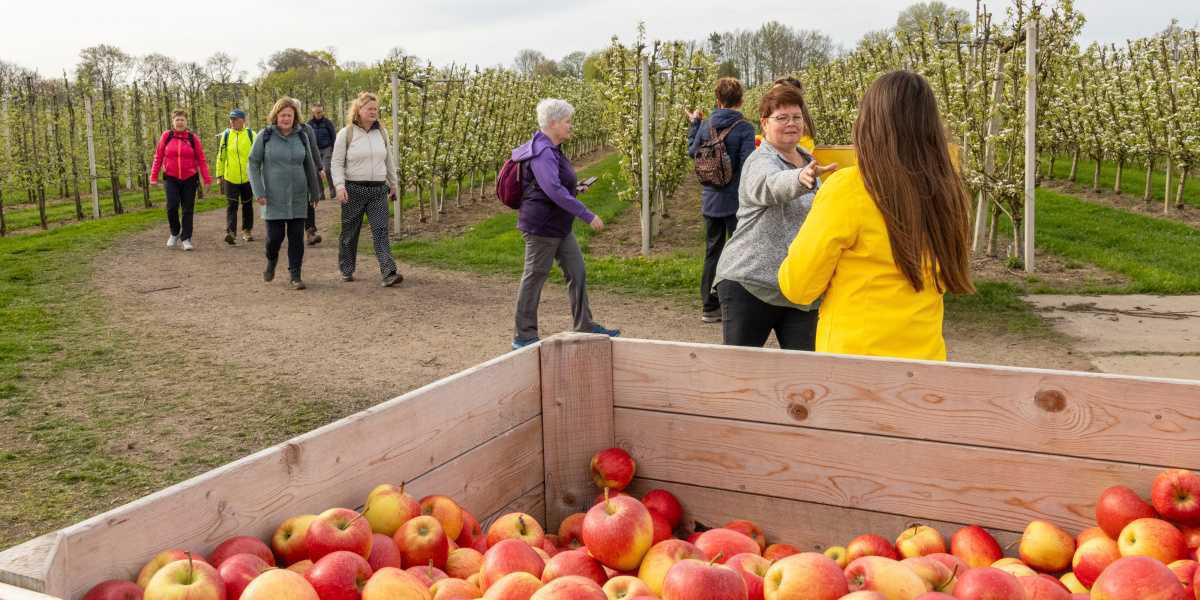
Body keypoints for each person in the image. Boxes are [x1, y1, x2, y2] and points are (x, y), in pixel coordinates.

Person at [777, 70, 974, 360]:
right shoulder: (948, 191)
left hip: (855, 366)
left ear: (869, 123)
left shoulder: (850, 187)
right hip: (925, 365)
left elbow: (798, 286)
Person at [711, 83, 833, 351]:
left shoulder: (809, 161)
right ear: (765, 123)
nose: (791, 123)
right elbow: (769, 185)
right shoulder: (759, 161)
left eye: (797, 117)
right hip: (751, 283)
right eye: (782, 117)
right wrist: (800, 179)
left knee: (805, 370)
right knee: (740, 369)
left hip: (797, 288)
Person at [511, 98, 620, 349]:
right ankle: (523, 336)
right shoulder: (542, 152)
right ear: (553, 123)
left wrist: (575, 187)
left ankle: (584, 324)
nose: (571, 126)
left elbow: (555, 185)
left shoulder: (552, 148)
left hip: (559, 226)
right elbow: (553, 190)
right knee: (534, 278)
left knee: (577, 272)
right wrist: (587, 214)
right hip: (542, 227)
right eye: (567, 121)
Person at [686, 77, 756, 324]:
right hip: (736, 202)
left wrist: (694, 125)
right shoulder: (745, 128)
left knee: (712, 251)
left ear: (717, 100)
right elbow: (749, 164)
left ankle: (709, 305)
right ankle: (737, 306)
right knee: (740, 251)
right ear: (741, 100)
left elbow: (692, 152)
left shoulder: (706, 125)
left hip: (711, 199)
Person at [248, 97, 322, 290]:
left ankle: (295, 275)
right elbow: (253, 163)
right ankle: (271, 259)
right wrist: (258, 191)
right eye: (283, 115)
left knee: (296, 237)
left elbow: (309, 164)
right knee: (275, 237)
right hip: (273, 196)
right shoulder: (265, 136)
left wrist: (315, 192)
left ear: (295, 117)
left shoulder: (302, 136)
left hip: (298, 194)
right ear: (276, 116)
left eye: (290, 115)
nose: (286, 119)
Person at [331, 92, 403, 287]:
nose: (373, 112)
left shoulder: (382, 133)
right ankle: (347, 269)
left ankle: (389, 272)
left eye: (375, 109)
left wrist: (393, 183)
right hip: (353, 189)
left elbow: (388, 159)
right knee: (350, 232)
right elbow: (336, 163)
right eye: (369, 108)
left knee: (381, 230)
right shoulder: (346, 133)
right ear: (359, 110)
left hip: (378, 190)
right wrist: (339, 186)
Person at [150, 109, 212, 251]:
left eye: (182, 120)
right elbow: (158, 157)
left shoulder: (192, 138)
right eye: (177, 119)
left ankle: (186, 238)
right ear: (173, 122)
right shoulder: (166, 136)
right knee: (172, 206)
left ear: (186, 122)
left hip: (190, 178)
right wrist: (153, 177)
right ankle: (175, 232)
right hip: (171, 178)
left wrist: (207, 179)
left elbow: (201, 159)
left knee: (187, 209)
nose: (180, 122)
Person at [215, 109, 256, 244]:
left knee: (247, 205)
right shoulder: (226, 135)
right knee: (231, 205)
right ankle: (231, 233)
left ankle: (247, 231)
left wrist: (259, 173)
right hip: (230, 178)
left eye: (235, 119)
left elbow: (258, 155)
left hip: (248, 177)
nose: (232, 122)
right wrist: (219, 175)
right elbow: (221, 156)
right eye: (231, 119)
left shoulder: (251, 134)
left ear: (243, 120)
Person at [308, 103, 337, 199]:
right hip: (314, 150)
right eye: (316, 112)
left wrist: (334, 149)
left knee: (327, 169)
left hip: (327, 148)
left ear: (323, 112)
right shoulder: (309, 124)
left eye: (320, 112)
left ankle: (332, 189)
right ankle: (321, 193)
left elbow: (333, 136)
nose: (318, 114)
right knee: (317, 171)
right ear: (313, 112)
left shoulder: (328, 123)